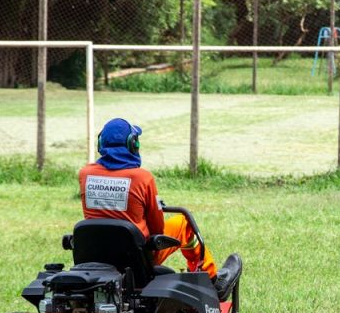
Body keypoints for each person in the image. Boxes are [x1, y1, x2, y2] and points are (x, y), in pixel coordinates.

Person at [79, 117, 240, 300]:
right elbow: (157, 228)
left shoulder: (85, 174)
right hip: (137, 258)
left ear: (101, 144)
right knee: (182, 223)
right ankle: (211, 280)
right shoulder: (143, 178)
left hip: (95, 255)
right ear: (133, 144)